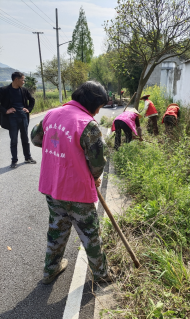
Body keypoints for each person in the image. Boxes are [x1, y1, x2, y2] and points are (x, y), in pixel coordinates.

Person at [31, 81, 111, 284]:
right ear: (93, 103)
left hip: (53, 188)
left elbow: (36, 139)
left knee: (57, 228)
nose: (99, 110)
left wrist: (60, 149)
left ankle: (50, 270)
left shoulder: (51, 115)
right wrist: (94, 178)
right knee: (90, 234)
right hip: (78, 192)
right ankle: (101, 275)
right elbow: (97, 162)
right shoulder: (88, 124)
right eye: (100, 106)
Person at [0, 71, 36, 168]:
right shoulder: (4, 90)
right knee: (14, 140)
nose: (24, 82)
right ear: (16, 80)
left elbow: (32, 100)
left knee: (25, 138)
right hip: (11, 119)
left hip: (23, 117)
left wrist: (28, 109)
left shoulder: (24, 90)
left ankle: (28, 157)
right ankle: (14, 161)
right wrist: (5, 111)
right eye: (23, 80)